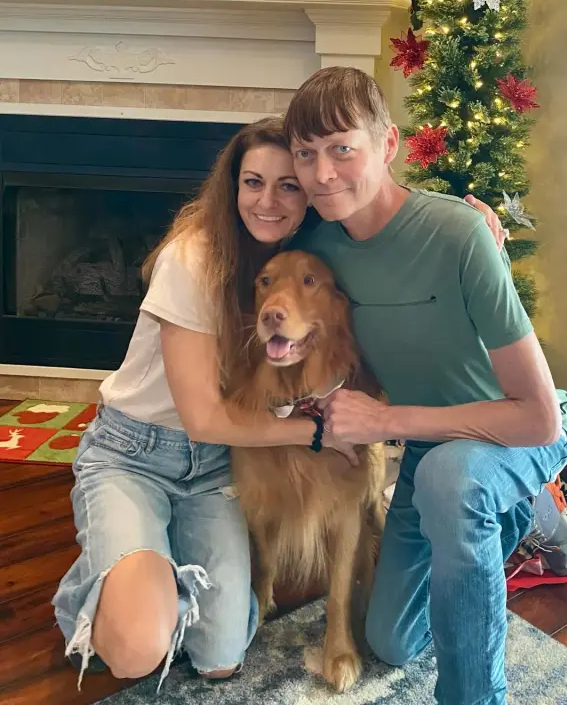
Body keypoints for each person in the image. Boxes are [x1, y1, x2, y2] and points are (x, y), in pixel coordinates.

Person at [52, 116, 506, 689]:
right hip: (139, 451)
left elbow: (388, 241)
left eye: (288, 185)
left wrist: (468, 229)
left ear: (309, 195)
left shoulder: (301, 254)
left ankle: (149, 563)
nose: (268, 200)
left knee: (221, 653)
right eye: (253, 183)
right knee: (138, 646)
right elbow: (204, 418)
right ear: (232, 187)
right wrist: (320, 433)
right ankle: (96, 581)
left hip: (215, 466)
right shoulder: (194, 258)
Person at [284, 67, 567, 705]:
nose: (322, 173)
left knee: (453, 481)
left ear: (388, 145)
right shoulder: (319, 249)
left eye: (342, 149)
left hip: (514, 434)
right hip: (432, 448)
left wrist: (385, 422)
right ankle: (527, 512)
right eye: (306, 155)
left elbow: (538, 419)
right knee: (390, 640)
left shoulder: (459, 234)